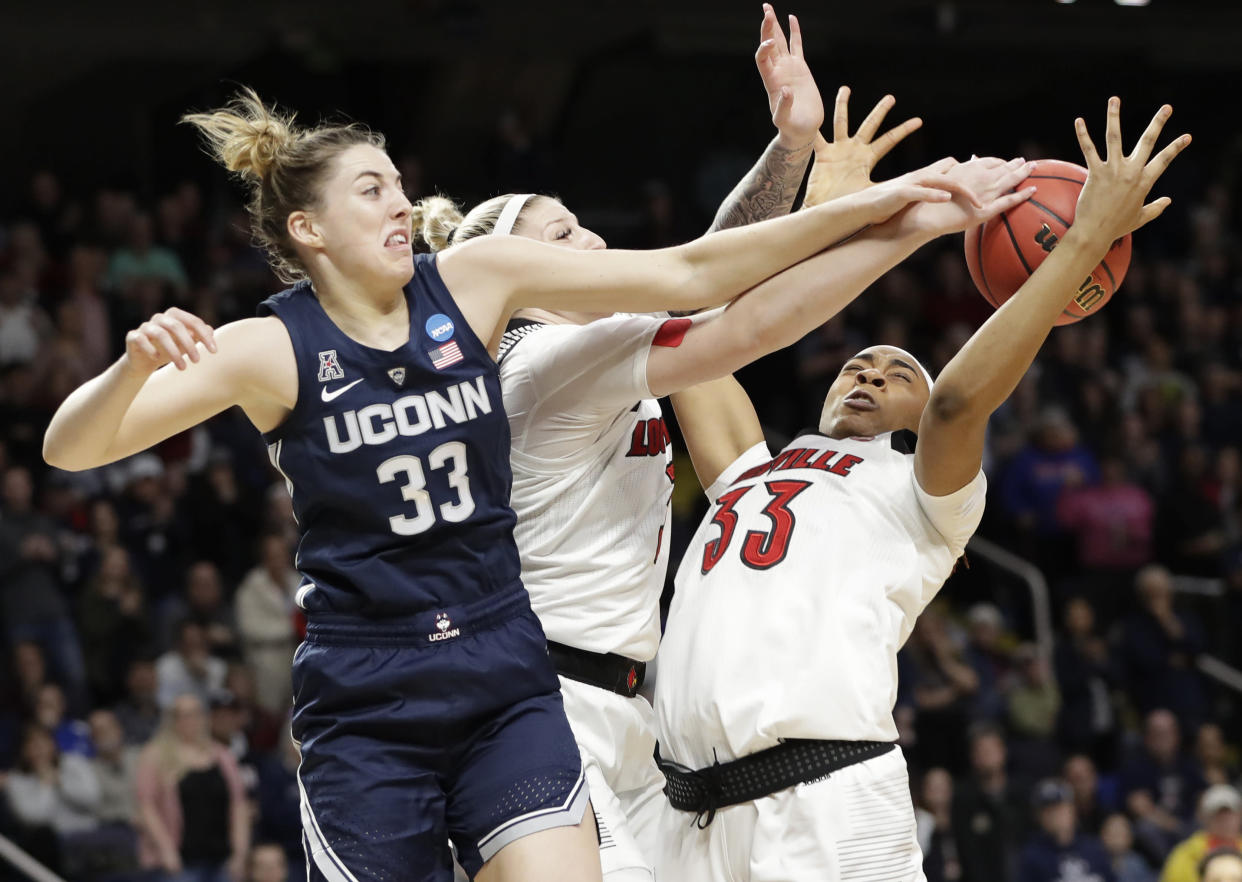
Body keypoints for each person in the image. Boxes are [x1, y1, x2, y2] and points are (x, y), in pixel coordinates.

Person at [41, 76, 972, 881]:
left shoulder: (474, 282)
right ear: (308, 228)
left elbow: (694, 273)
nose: (400, 203)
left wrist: (869, 204)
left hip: (507, 677)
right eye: (372, 191)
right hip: (376, 692)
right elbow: (69, 448)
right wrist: (130, 367)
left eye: (400, 185)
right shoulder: (279, 348)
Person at [412, 11, 1031, 879]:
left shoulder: (577, 351)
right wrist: (902, 213)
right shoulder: (550, 360)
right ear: (514, 278)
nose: (593, 244)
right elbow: (732, 316)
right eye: (562, 236)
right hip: (546, 707)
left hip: (633, 724)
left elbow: (706, 274)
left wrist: (795, 154)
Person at [652, 98, 1190, 881]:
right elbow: (683, 316)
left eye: (897, 370)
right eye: (855, 366)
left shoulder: (922, 493)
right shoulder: (752, 467)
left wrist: (1079, 243)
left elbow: (960, 402)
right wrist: (820, 213)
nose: (870, 372)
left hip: (823, 797)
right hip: (686, 813)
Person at [134, 693, 249, 882]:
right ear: (172, 719)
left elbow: (238, 804)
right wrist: (166, 850)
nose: (191, 720)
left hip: (221, 858)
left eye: (196, 714)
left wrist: (240, 852)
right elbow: (147, 806)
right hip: (179, 860)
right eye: (183, 715)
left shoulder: (222, 756)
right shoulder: (154, 756)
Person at [1017, 779, 1115, 882]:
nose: (1056, 816)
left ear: (1073, 810)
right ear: (1039, 817)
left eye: (1060, 808)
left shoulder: (1094, 848)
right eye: (1049, 811)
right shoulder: (1032, 857)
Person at [1161, 785, 1242, 882]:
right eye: (1218, 816)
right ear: (1205, 818)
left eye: (1229, 815)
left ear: (1239, 816)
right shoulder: (1184, 855)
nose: (1225, 821)